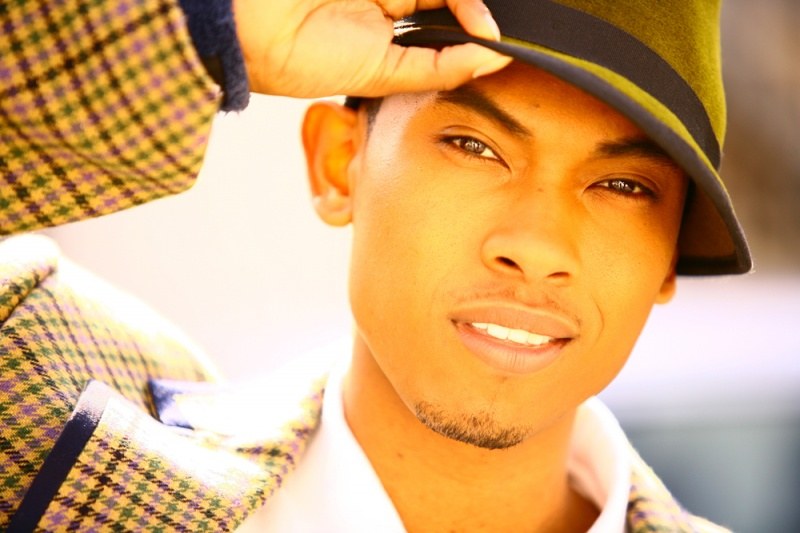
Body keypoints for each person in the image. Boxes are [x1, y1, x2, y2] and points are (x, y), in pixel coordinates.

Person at [0, 0, 750, 531]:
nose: (538, 245)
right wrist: (203, 27)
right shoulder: (42, 397)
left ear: (668, 256)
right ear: (339, 163)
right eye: (473, 146)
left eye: (623, 186)